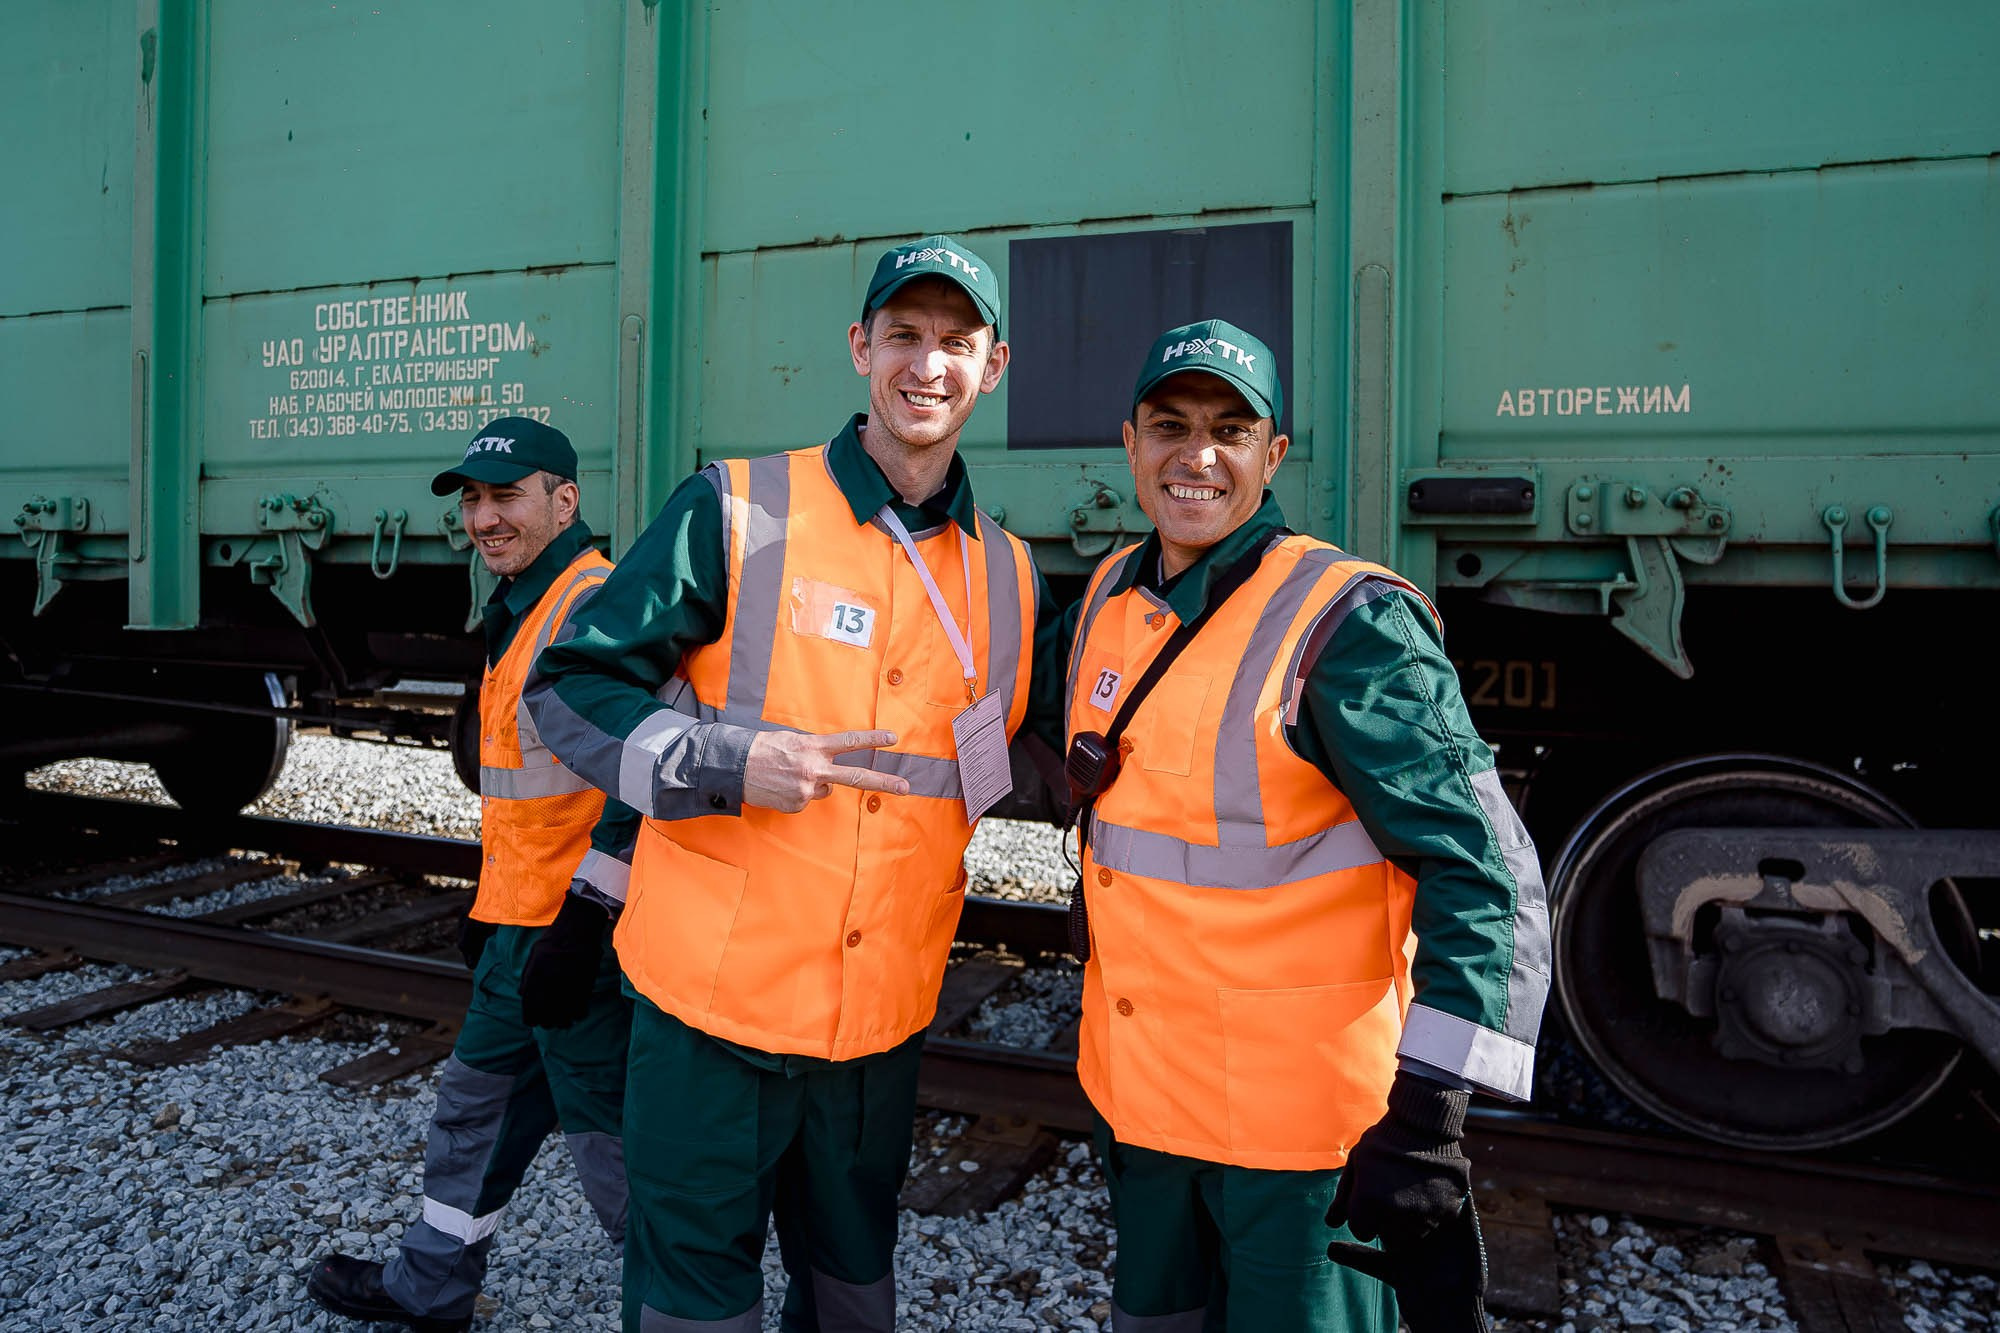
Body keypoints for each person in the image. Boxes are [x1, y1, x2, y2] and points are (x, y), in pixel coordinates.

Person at [521, 235, 1066, 1333]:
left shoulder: (1008, 575)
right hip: (709, 1018)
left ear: (993, 367)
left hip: (875, 1038)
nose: (928, 365)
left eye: (956, 343)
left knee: (852, 1301)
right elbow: (570, 687)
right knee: (692, 1303)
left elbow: (1019, 758)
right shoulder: (738, 510)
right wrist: (713, 761)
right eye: (904, 336)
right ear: (860, 348)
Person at [1061, 319, 1549, 1332]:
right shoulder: (1108, 596)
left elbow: (1485, 872)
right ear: (1129, 443)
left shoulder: (1345, 621)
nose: (1195, 455)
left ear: (1270, 454)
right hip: (1143, 1117)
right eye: (1169, 426)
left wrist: (1427, 1119)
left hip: (1300, 1146)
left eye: (1228, 430)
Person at [307, 418, 640, 1333]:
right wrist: (492, 906)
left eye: (507, 496)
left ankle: (684, 1310)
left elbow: (636, 787)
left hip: (577, 936)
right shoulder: (528, 602)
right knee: (476, 1109)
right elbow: (534, 791)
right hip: (521, 925)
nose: (485, 518)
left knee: (612, 1144)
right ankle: (431, 1285)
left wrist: (585, 921)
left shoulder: (590, 606)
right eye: (474, 500)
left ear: (565, 501)